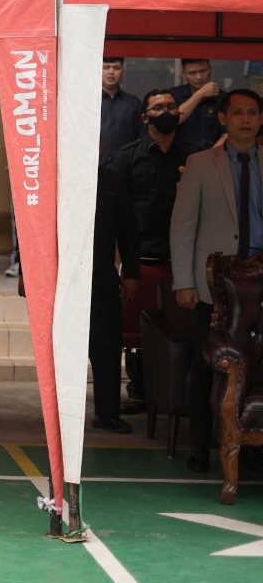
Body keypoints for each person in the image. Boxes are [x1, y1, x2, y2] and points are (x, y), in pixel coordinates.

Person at [170, 88, 263, 473]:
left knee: (256, 365)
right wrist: (183, 281)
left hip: (259, 283)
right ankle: (200, 445)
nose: (246, 119)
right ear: (223, 118)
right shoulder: (200, 163)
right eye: (238, 112)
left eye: (252, 112)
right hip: (213, 284)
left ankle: (251, 445)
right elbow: (182, 226)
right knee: (206, 363)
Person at [112, 89, 195, 414]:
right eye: (159, 107)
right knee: (138, 331)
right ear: (145, 116)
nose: (167, 111)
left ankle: (175, 394)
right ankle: (139, 392)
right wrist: (119, 261)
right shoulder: (128, 156)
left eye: (172, 106)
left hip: (182, 261)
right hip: (140, 258)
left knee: (180, 330)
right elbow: (117, 212)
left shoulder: (194, 156)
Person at [89, 167, 140, 434]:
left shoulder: (111, 181)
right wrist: (26, 269)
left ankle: (107, 414)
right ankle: (59, 413)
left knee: (107, 346)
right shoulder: (54, 176)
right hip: (62, 279)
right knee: (61, 349)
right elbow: (33, 224)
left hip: (102, 276)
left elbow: (128, 230)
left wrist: (131, 273)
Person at [172, 58, 225, 152]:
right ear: (184, 74)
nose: (199, 77)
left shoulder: (223, 98)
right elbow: (172, 120)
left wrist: (210, 156)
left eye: (203, 71)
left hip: (213, 154)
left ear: (210, 69)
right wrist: (200, 94)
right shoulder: (174, 95)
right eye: (192, 73)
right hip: (179, 154)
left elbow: (227, 134)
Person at [99, 57, 143, 169]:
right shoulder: (90, 103)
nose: (111, 72)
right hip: (95, 167)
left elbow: (142, 137)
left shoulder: (133, 103)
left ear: (123, 71)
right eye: (106, 67)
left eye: (116, 68)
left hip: (127, 167)